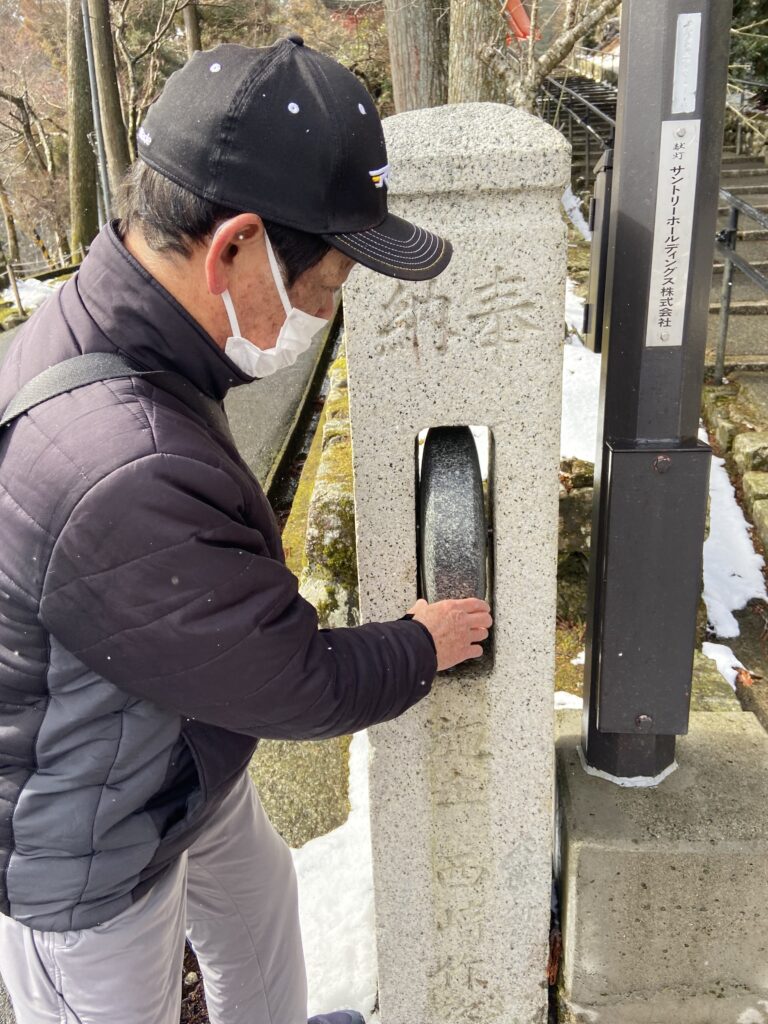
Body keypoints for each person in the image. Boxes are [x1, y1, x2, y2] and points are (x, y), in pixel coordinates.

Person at [0, 36, 492, 1024]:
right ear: (234, 248)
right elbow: (289, 675)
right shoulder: (120, 462)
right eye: (328, 288)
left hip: (172, 750)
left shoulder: (122, 323)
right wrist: (421, 643)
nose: (327, 311)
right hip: (91, 842)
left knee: (260, 918)